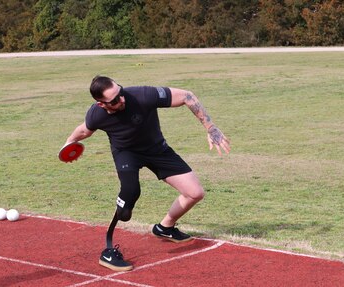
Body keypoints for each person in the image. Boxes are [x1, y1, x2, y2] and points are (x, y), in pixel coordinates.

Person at [64, 76, 230, 272]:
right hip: (127, 154)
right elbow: (84, 131)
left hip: (157, 150)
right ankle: (109, 247)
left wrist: (210, 128)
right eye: (115, 100)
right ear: (101, 104)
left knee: (195, 193)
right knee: (130, 194)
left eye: (121, 92)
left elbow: (187, 96)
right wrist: (68, 144)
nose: (122, 99)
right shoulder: (96, 115)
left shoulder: (142, 95)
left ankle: (164, 228)